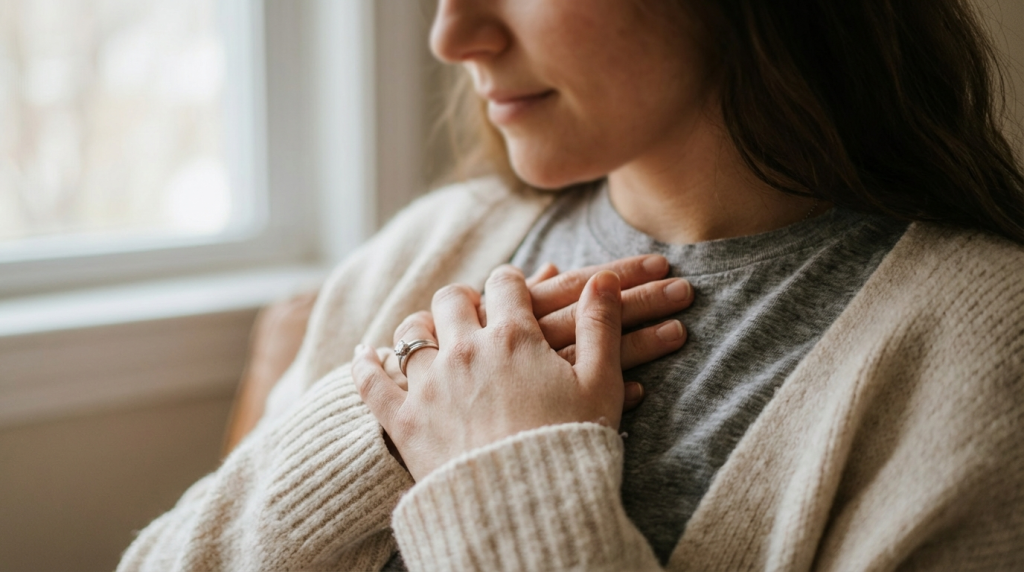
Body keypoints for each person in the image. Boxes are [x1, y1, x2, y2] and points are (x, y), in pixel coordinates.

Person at [119, 0, 1024, 570]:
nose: (452, 34)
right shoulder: (433, 242)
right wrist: (380, 433)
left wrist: (504, 477)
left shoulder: (986, 354)